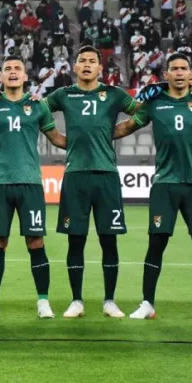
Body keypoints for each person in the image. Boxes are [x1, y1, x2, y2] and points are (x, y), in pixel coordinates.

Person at [113, 53, 192, 320]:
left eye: (184, 68)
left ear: (191, 73)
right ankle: (147, 303)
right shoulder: (154, 103)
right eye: (174, 69)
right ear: (166, 75)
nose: (180, 72)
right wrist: (93, 132)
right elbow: (125, 127)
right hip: (165, 185)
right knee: (156, 243)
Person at [0, 56, 68, 318]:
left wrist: (89, 139)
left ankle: (43, 302)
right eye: (7, 69)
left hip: (30, 182)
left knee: (36, 241)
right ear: (0, 75)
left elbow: (56, 139)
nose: (12, 72)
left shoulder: (38, 106)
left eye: (17, 69)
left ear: (24, 76)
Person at [44, 46, 142, 318]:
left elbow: (140, 113)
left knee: (108, 240)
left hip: (106, 175)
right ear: (74, 67)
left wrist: (119, 130)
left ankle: (109, 301)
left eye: (92, 62)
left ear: (101, 68)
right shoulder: (63, 95)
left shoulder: (114, 95)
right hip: (75, 175)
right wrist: (58, 139)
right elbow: (36, 113)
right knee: (76, 240)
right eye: (82, 61)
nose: (87, 65)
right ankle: (77, 300)